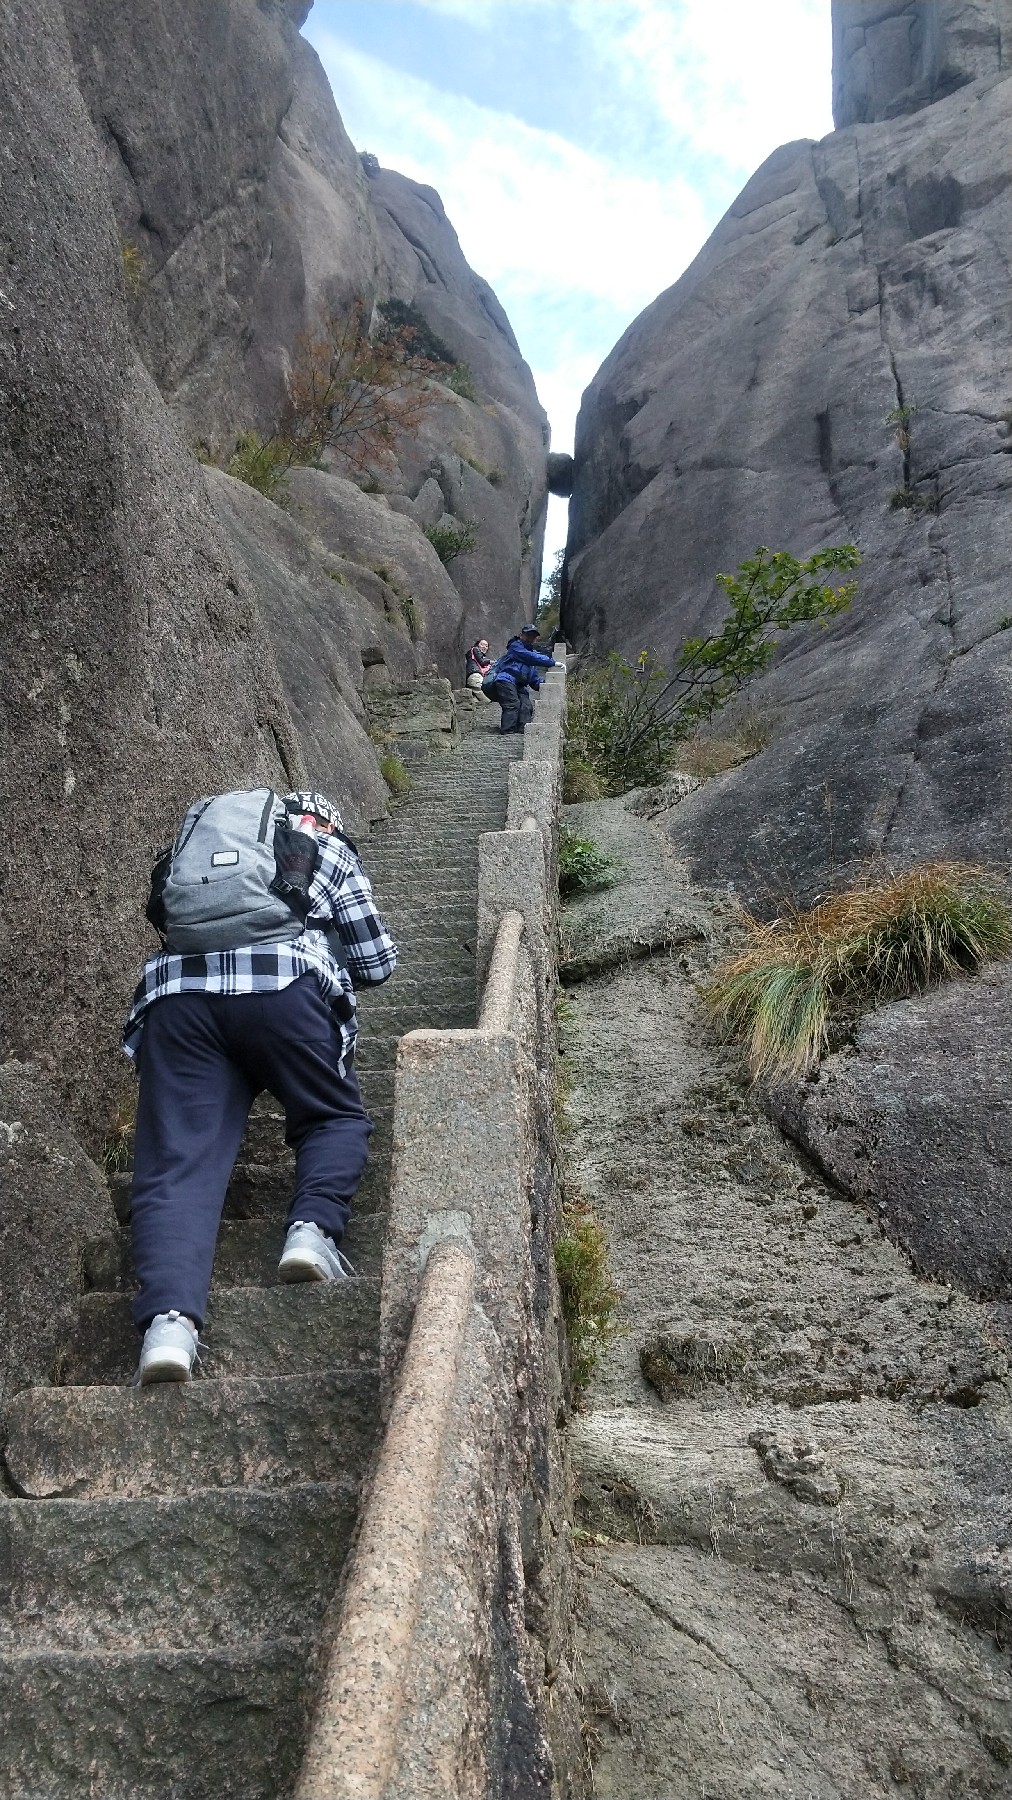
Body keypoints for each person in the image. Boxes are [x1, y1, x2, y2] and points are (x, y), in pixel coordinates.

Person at [122, 788, 397, 1386]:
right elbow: (376, 963)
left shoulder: (197, 851)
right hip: (284, 993)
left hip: (178, 1006)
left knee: (176, 1166)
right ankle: (311, 1232)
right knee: (330, 1115)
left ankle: (168, 1326)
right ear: (323, 818)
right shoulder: (321, 848)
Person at [487, 624, 561, 734]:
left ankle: (523, 730)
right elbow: (530, 657)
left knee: (526, 705)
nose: (530, 638)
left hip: (519, 684)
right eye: (528, 635)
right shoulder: (515, 646)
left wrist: (546, 686)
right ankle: (508, 732)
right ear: (521, 635)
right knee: (512, 704)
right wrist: (552, 662)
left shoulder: (532, 657)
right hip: (506, 679)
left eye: (533, 636)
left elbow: (534, 680)